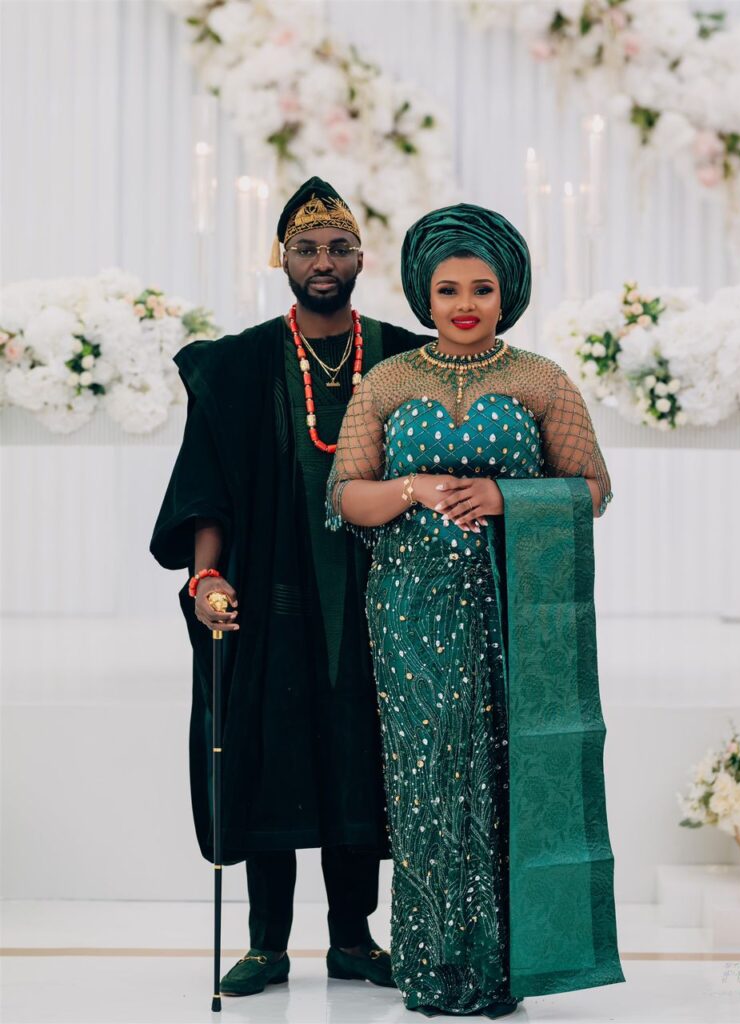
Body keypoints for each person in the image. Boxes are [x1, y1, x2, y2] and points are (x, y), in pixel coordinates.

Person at [327, 203, 625, 1017]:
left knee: (509, 767)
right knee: (426, 778)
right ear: (423, 294)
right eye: (447, 287)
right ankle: (432, 967)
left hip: (514, 608)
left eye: (482, 288)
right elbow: (345, 495)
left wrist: (503, 497)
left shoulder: (539, 379)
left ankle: (508, 967)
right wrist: (415, 489)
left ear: (507, 294)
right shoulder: (386, 382)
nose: (464, 302)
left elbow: (594, 488)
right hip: (409, 610)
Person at [150, 177, 429, 996]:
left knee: (361, 760)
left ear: (361, 260)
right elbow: (211, 486)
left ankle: (354, 940)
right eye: (306, 248)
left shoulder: (403, 356)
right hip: (269, 592)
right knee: (267, 758)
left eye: (338, 247)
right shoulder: (238, 365)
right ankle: (267, 945)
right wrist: (206, 576)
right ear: (281, 258)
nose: (322, 262)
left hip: (379, 598)